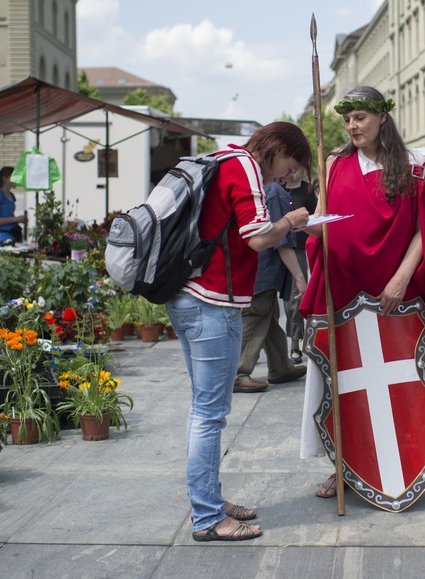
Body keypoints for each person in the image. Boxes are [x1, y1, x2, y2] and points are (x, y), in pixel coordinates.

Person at [164, 122, 311, 542]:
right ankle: (209, 517)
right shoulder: (244, 164)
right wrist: (290, 220)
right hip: (212, 302)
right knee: (209, 415)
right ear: (276, 148)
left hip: (188, 296)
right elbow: (258, 237)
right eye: (289, 165)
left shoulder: (221, 158)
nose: (286, 176)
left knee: (203, 410)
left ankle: (208, 498)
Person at [298, 85, 425, 498]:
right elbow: (322, 221)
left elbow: (423, 231)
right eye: (347, 119)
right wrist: (308, 228)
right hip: (343, 292)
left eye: (359, 116)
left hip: (396, 297)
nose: (351, 125)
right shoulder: (335, 162)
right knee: (340, 383)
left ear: (382, 117)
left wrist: (400, 278)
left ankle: (405, 463)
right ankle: (344, 466)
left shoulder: (415, 165)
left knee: (401, 383)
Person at [234, 181, 308, 392]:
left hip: (256, 268)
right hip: (263, 271)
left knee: (268, 317)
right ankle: (238, 373)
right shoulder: (274, 192)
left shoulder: (259, 188)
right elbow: (280, 240)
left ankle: (280, 367)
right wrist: (299, 276)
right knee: (257, 316)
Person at [282, 173, 317, 365]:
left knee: (295, 299)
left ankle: (295, 344)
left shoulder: (307, 189)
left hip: (298, 248)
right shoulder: (275, 186)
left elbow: (315, 218)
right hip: (275, 246)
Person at [0, 166, 28, 245]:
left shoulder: (11, 195)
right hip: (5, 237)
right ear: (5, 179)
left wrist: (20, 220)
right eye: (14, 176)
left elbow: (8, 215)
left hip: (15, 233)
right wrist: (15, 219)